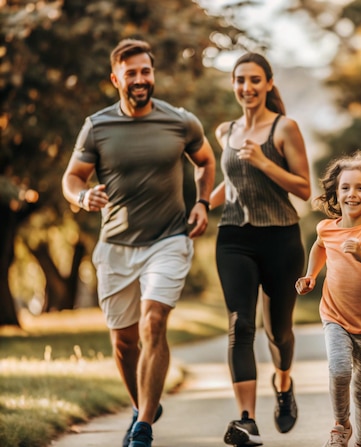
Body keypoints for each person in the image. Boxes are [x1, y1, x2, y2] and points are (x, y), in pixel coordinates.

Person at [61, 38, 215, 447]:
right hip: (115, 246)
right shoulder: (97, 126)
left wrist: (201, 203)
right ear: (116, 78)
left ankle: (143, 425)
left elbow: (206, 161)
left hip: (168, 239)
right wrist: (82, 196)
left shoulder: (181, 122)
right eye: (132, 73)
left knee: (153, 322)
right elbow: (72, 177)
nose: (141, 79)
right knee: (124, 341)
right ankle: (141, 402)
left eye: (146, 71)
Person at [208, 52, 311, 447]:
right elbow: (230, 185)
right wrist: (202, 208)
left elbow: (304, 189)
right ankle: (246, 420)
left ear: (268, 84)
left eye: (254, 80)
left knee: (279, 332)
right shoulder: (225, 131)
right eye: (240, 80)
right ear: (233, 84)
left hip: (281, 239)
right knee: (240, 325)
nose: (246, 88)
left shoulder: (284, 128)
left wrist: (265, 163)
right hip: (234, 237)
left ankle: (283, 383)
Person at [296, 151, 361, 447]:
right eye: (345, 188)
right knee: (340, 369)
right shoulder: (326, 228)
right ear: (336, 192)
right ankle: (341, 425)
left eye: (360, 188)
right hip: (335, 316)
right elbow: (319, 247)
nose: (351, 194)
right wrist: (311, 276)